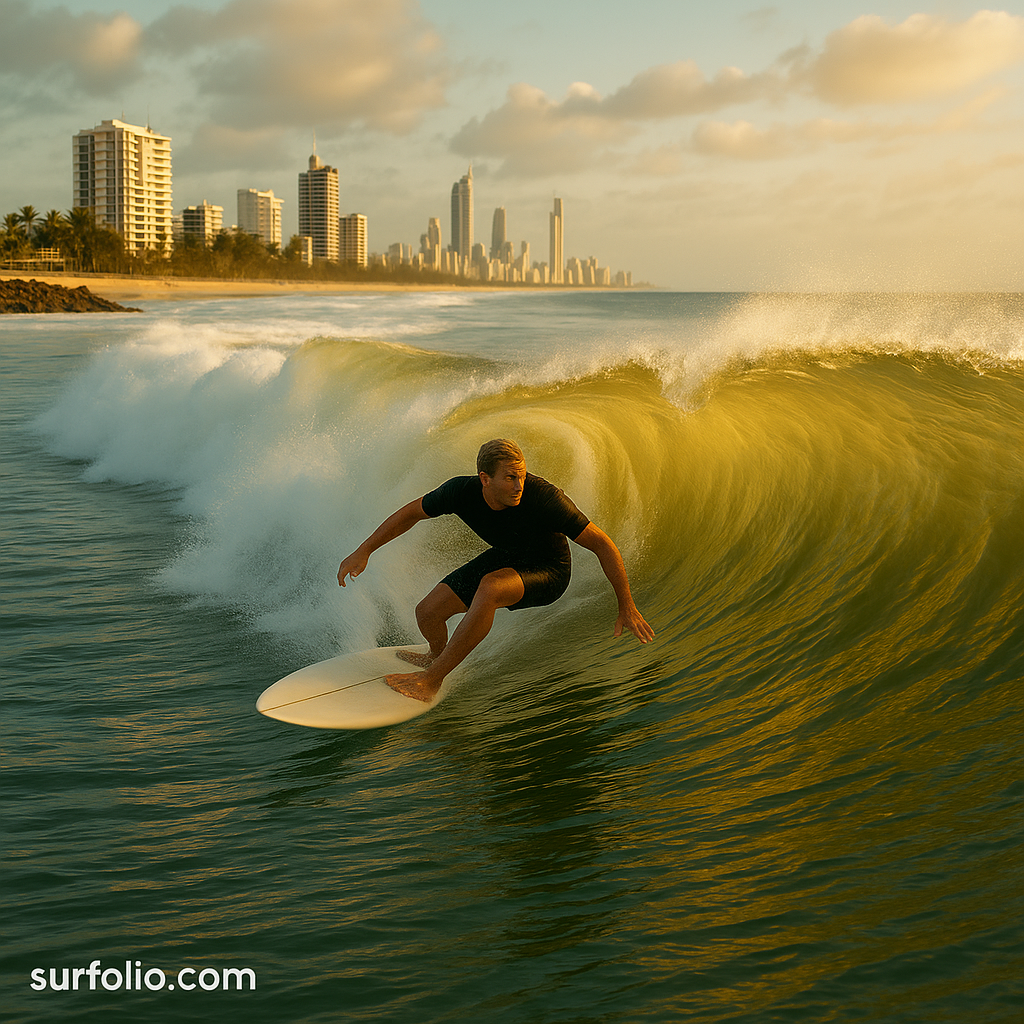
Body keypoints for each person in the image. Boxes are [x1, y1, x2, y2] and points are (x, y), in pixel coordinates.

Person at [337, 439, 654, 702]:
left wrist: (626, 604)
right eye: (510, 478)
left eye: (522, 476)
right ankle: (437, 654)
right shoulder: (460, 492)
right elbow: (410, 513)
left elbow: (602, 543)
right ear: (485, 479)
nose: (520, 485)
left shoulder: (545, 499)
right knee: (427, 612)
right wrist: (363, 551)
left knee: (489, 588)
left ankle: (431, 680)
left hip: (549, 570)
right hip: (507, 557)